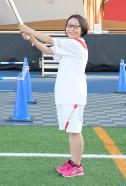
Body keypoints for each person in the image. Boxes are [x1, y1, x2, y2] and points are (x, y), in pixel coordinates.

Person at [19, 14, 88, 178]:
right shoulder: (69, 45)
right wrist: (32, 40)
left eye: (75, 26)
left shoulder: (76, 44)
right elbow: (48, 50)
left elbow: (50, 40)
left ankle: (77, 166)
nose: (71, 28)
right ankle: (73, 162)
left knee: (74, 131)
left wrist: (30, 29)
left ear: (82, 30)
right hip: (66, 94)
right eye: (69, 25)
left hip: (73, 95)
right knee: (71, 131)